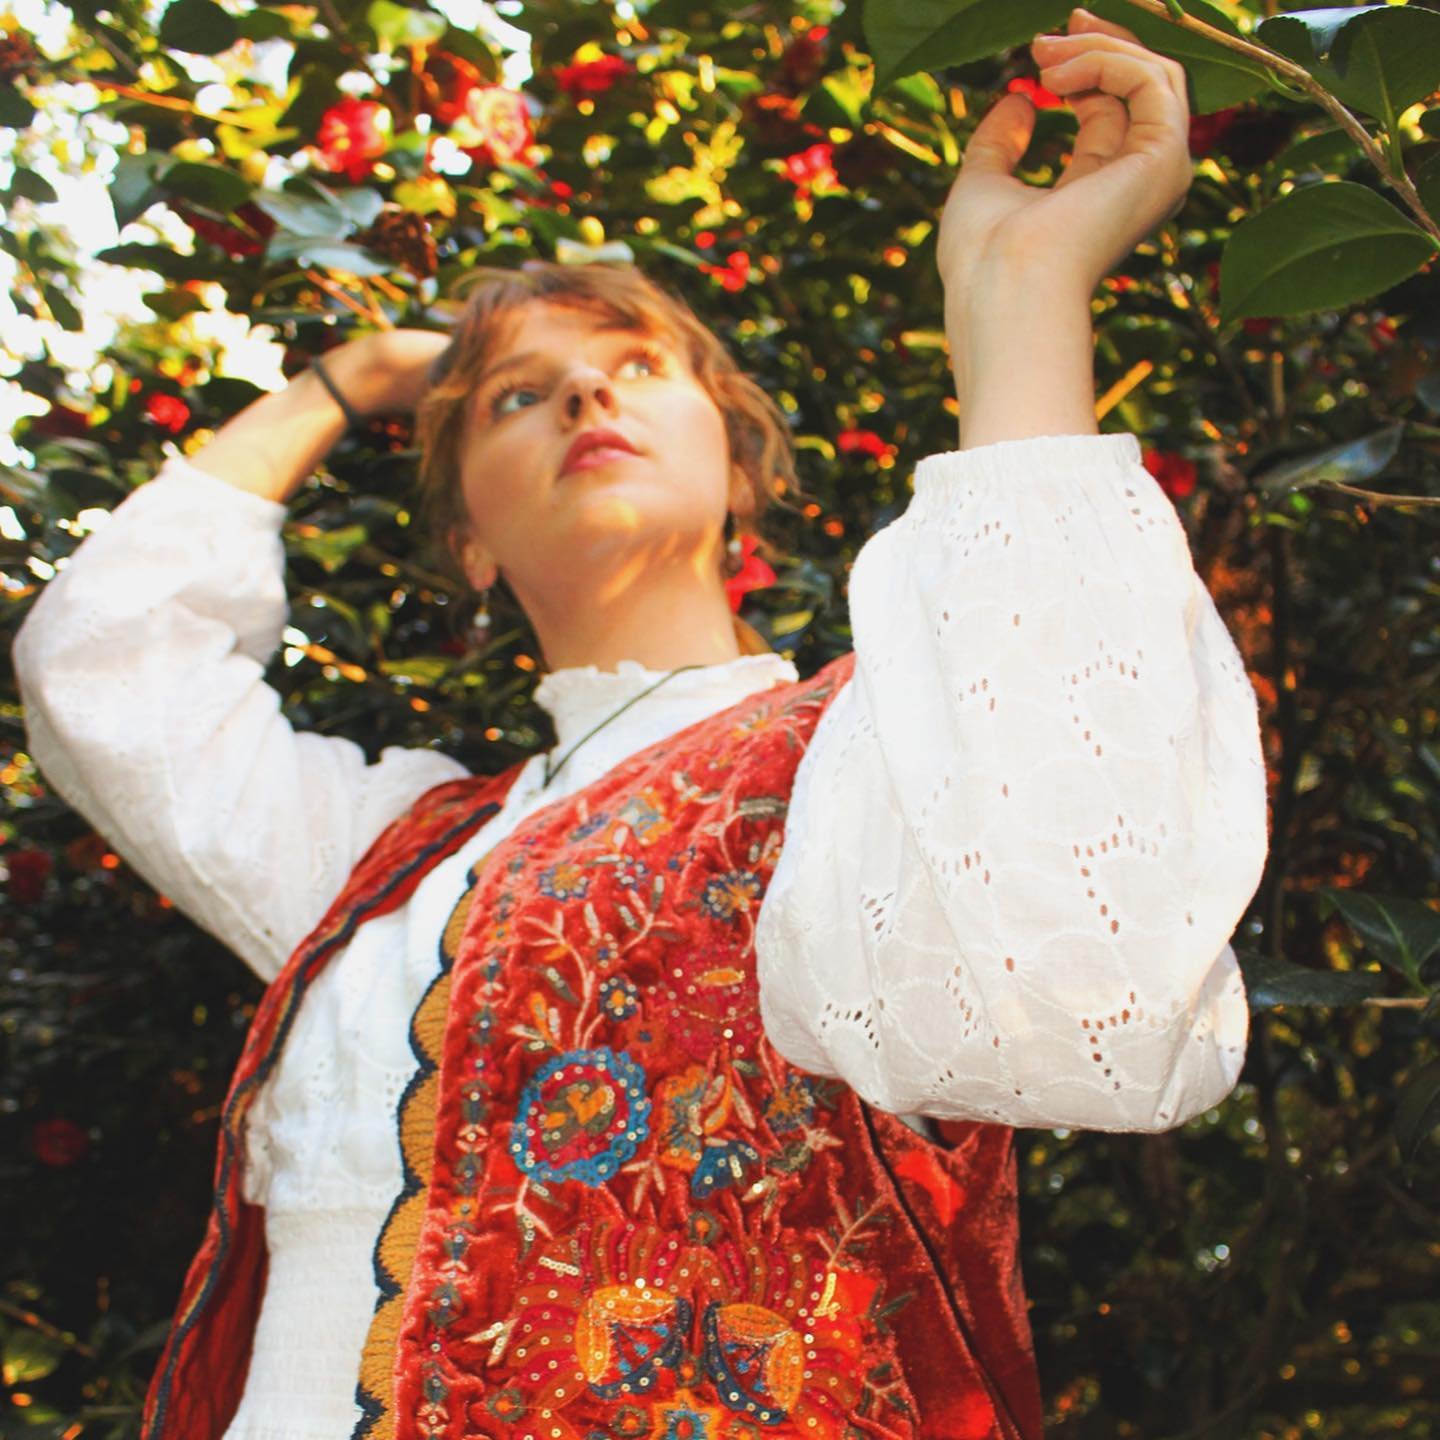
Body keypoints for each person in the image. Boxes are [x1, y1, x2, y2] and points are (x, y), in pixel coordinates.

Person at [12, 10, 1269, 1439]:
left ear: (740, 468)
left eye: (634, 367)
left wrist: (1023, 291)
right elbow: (103, 672)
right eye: (515, 397)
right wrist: (347, 379)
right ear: (469, 541)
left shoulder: (870, 749)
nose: (585, 394)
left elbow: (1082, 992)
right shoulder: (393, 856)